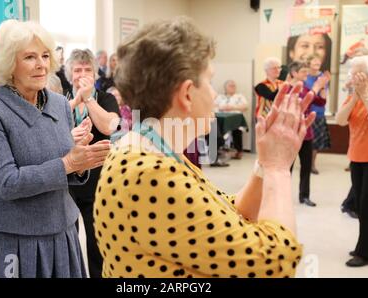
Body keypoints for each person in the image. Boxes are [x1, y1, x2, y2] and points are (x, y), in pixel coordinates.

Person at [93, 17, 317, 278]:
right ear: (187, 93)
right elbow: (275, 264)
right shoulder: (148, 173)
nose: (213, 94)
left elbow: (225, 214)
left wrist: (263, 165)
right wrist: (278, 168)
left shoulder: (152, 151)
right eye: (210, 81)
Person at [0, 20, 111, 278]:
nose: (41, 64)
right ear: (9, 64)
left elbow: (63, 167)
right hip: (10, 237)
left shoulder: (59, 104)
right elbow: (7, 182)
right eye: (30, 57)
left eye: (45, 55)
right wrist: (68, 163)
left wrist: (80, 162)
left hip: (61, 231)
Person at [64, 48, 120, 278]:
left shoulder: (106, 98)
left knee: (97, 244)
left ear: (95, 74)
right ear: (70, 74)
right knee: (68, 245)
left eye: (87, 69)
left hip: (98, 180)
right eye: (77, 70)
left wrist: (88, 99)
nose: (82, 74)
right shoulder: (59, 100)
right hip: (65, 179)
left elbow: (109, 126)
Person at [336, 55, 368, 267]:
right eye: (352, 73)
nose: (353, 77)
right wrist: (356, 97)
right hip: (357, 159)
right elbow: (339, 120)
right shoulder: (353, 96)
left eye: (357, 73)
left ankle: (365, 253)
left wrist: (365, 95)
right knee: (361, 205)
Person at [287, 61, 329, 207]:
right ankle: (283, 196)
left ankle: (304, 196)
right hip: (291, 134)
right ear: (294, 73)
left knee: (306, 166)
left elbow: (321, 102)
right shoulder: (289, 89)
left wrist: (322, 87)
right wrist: (316, 88)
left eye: (306, 71)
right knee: (288, 168)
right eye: (303, 72)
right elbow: (303, 102)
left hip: (306, 134)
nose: (306, 74)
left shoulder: (306, 87)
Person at [304, 54, 331, 174]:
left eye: (318, 62)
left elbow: (324, 97)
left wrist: (322, 87)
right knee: (303, 140)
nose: (317, 64)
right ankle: (304, 161)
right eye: (314, 62)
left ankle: (312, 164)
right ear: (308, 63)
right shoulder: (305, 76)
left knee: (316, 141)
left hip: (319, 112)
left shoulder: (323, 77)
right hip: (305, 112)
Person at [215, 80, 248, 159]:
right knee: (216, 127)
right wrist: (222, 107)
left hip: (235, 119)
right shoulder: (220, 97)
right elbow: (214, 106)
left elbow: (245, 107)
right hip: (222, 118)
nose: (233, 87)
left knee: (237, 128)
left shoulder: (239, 96)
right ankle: (219, 150)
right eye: (230, 86)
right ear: (225, 88)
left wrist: (232, 107)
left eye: (234, 86)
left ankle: (238, 150)